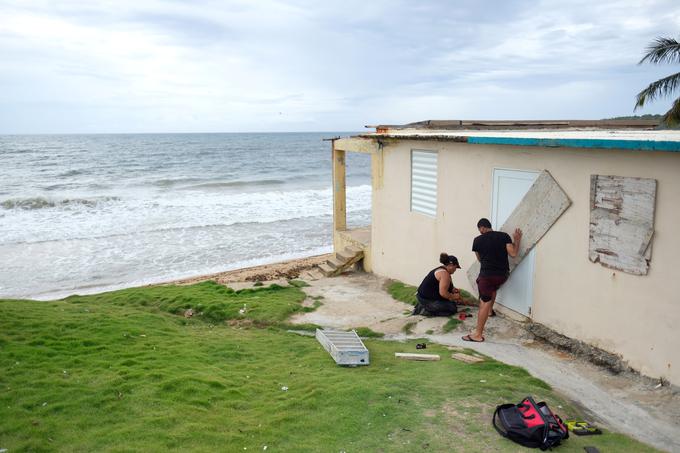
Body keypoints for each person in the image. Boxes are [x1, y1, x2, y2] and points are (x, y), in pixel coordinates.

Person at [462, 218, 522, 342]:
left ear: (482, 228)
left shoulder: (477, 240)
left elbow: (479, 259)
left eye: (480, 230)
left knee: (484, 302)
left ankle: (477, 335)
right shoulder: (504, 236)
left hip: (486, 276)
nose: (480, 232)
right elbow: (514, 254)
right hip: (502, 276)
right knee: (493, 288)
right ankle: (490, 312)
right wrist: (517, 240)